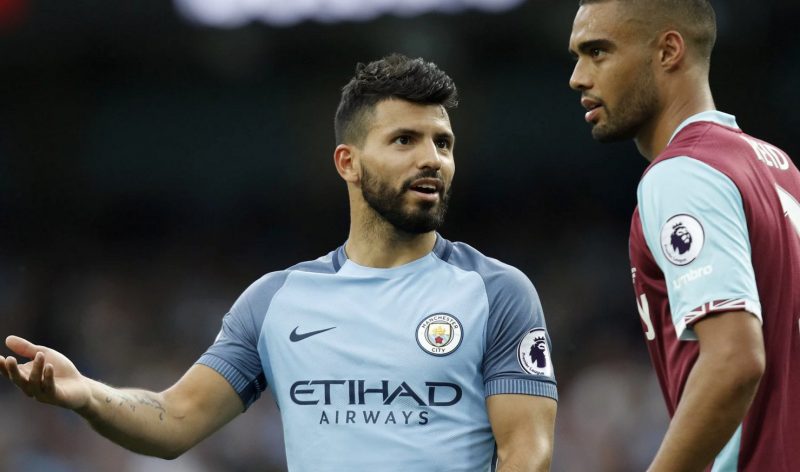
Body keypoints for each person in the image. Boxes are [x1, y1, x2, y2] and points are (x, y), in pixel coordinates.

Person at [1, 54, 558, 472]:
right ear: (348, 163)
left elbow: (527, 455)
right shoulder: (277, 300)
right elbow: (175, 420)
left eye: (443, 143)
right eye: (405, 140)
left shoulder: (498, 293)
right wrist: (86, 395)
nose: (432, 159)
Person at [568, 1, 800, 471]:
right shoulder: (777, 167)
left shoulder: (681, 174)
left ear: (668, 51)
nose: (578, 77)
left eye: (597, 52)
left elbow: (734, 361)